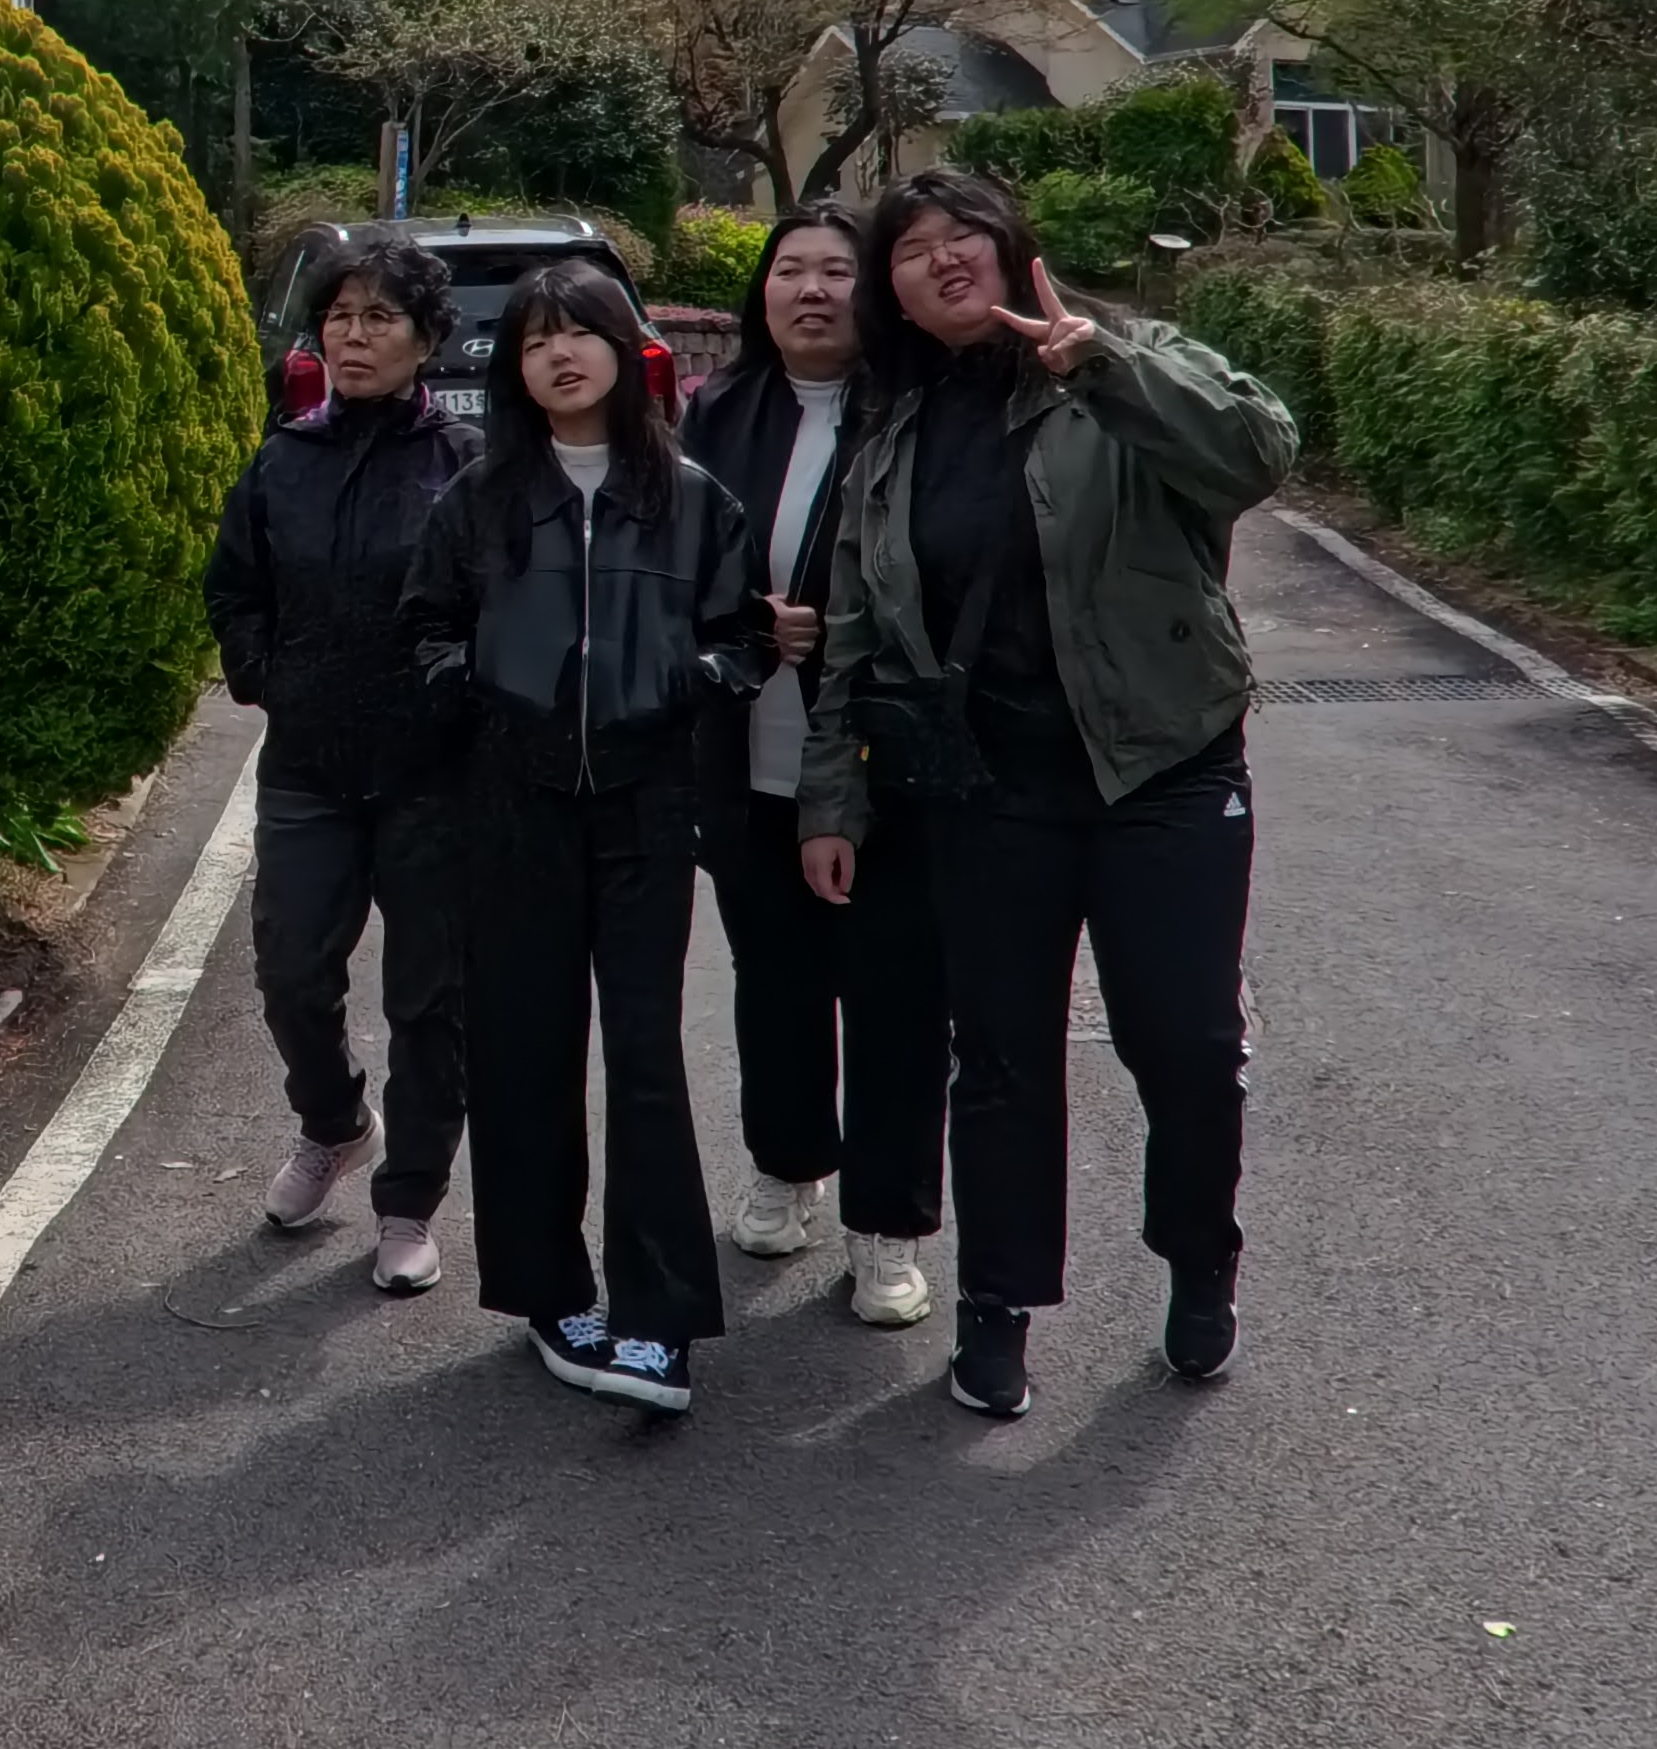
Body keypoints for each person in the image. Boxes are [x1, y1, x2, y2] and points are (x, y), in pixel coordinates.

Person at [799, 168, 1296, 1421]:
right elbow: (854, 632)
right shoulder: (893, 437)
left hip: (1162, 766)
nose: (942, 257)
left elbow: (1256, 454)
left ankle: (1199, 1259)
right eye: (910, 247)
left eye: (963, 231)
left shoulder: (1126, 357)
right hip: (988, 789)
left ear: (1014, 245)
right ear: (893, 294)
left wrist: (1100, 365)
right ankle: (998, 1305)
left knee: (1184, 1043)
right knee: (1002, 1058)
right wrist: (831, 802)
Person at [401, 259, 762, 1413]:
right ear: (515, 369)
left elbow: (746, 636)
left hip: (646, 806)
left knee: (646, 1055)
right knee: (524, 1049)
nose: (559, 354)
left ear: (624, 348)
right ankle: (549, 1294)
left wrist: (683, 681)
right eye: (534, 340)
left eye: (580, 332)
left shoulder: (691, 497)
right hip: (513, 805)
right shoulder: (478, 498)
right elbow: (422, 628)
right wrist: (485, 687)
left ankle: (659, 1316)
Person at [682, 197, 948, 1332]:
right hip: (749, 759)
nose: (811, 289)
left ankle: (887, 1224)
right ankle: (786, 1166)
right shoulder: (718, 412)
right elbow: (673, 566)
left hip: (892, 766)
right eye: (789, 268)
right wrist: (745, 621)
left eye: (836, 269)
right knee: (776, 983)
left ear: (871, 289)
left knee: (896, 995)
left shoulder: (921, 408)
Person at [205, 229, 479, 1294]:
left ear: (426, 339)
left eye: (378, 318)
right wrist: (264, 674)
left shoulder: (464, 466)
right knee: (290, 971)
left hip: (433, 775)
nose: (353, 336)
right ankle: (333, 1124)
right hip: (310, 766)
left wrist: (459, 699)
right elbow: (235, 585)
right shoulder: (285, 459)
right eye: (338, 317)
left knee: (431, 1000)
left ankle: (410, 1200)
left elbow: (499, 602)